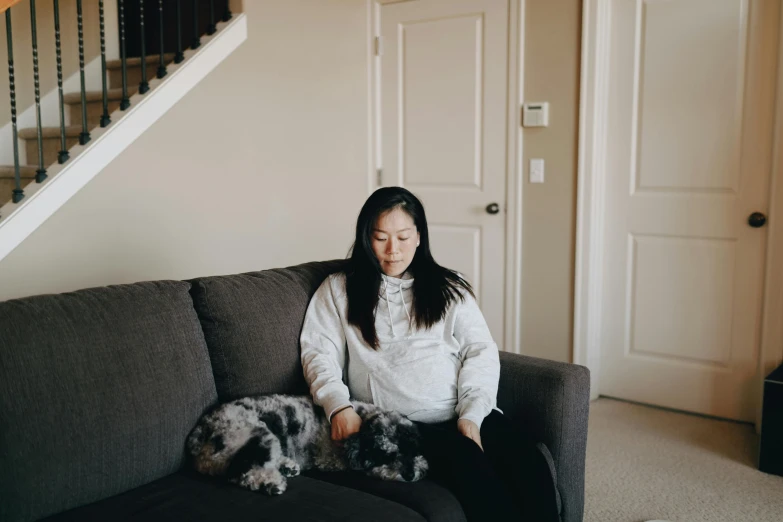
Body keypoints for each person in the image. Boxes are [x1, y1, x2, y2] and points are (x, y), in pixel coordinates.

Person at [300, 186, 560, 521]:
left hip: (462, 411)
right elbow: (318, 352)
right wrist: (337, 406)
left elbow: (479, 351)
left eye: (404, 237)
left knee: (530, 464)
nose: (393, 250)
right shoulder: (338, 289)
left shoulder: (450, 287)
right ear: (366, 238)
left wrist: (471, 416)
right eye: (381, 238)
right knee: (474, 472)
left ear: (419, 237)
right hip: (400, 423)